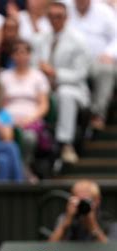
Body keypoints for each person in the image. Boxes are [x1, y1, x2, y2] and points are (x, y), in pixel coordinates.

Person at [35, 1, 90, 164]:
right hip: (43, 87)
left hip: (73, 88)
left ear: (66, 18)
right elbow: (34, 64)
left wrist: (54, 73)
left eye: (58, 17)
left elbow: (81, 73)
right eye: (51, 17)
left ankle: (65, 144)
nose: (54, 20)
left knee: (65, 93)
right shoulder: (40, 39)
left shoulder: (78, 40)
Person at [0, 39, 50, 175]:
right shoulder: (4, 76)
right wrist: (8, 119)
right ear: (12, 56)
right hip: (8, 121)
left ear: (29, 55)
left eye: (24, 53)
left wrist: (30, 119)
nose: (20, 56)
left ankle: (24, 168)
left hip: (31, 120)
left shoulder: (38, 76)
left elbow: (44, 104)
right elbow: (0, 104)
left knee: (28, 138)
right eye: (17, 53)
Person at [67, 0, 116, 131]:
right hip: (70, 62)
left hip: (97, 60)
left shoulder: (104, 11)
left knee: (106, 70)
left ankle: (98, 114)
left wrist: (109, 53)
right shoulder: (64, 7)